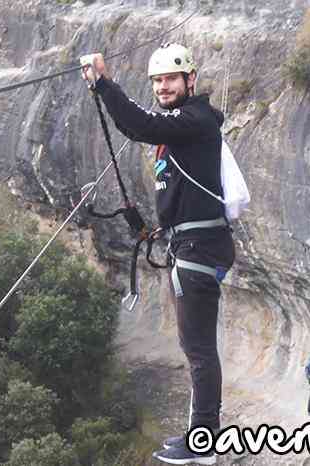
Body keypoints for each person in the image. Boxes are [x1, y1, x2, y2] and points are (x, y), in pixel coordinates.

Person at [81, 43, 233, 466]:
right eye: (158, 81)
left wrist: (105, 84)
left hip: (199, 249)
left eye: (171, 79)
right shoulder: (183, 126)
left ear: (191, 80)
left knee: (199, 349)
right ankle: (200, 437)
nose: (164, 87)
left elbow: (139, 124)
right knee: (196, 348)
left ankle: (203, 444)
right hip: (193, 243)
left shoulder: (195, 119)